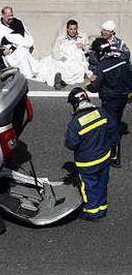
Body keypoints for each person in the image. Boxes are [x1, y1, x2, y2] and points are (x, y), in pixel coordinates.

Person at [65, 87, 118, 221]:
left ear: (75, 104)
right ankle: (102, 207)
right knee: (102, 183)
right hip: (104, 157)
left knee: (89, 186)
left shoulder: (76, 123)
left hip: (87, 162)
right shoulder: (101, 112)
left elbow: (71, 144)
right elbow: (113, 130)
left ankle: (92, 211)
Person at [86, 31, 132, 168]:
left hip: (110, 100)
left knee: (111, 127)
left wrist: (88, 84)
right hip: (123, 97)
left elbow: (94, 87)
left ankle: (114, 155)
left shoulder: (103, 66)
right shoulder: (122, 60)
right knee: (116, 122)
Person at [37, 19, 89, 89]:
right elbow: (55, 51)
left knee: (78, 66)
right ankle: (58, 80)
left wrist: (83, 47)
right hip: (64, 57)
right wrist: (62, 58)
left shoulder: (83, 37)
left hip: (77, 58)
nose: (73, 31)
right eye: (71, 29)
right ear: (67, 29)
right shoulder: (61, 38)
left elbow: (88, 49)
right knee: (56, 64)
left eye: (75, 29)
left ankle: (63, 81)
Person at [0, 6, 37, 79]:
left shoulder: (17, 23)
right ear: (3, 16)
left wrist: (11, 48)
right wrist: (4, 48)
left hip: (17, 46)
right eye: (8, 16)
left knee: (22, 53)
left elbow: (20, 38)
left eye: (11, 15)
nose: (11, 17)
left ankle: (27, 75)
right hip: (5, 48)